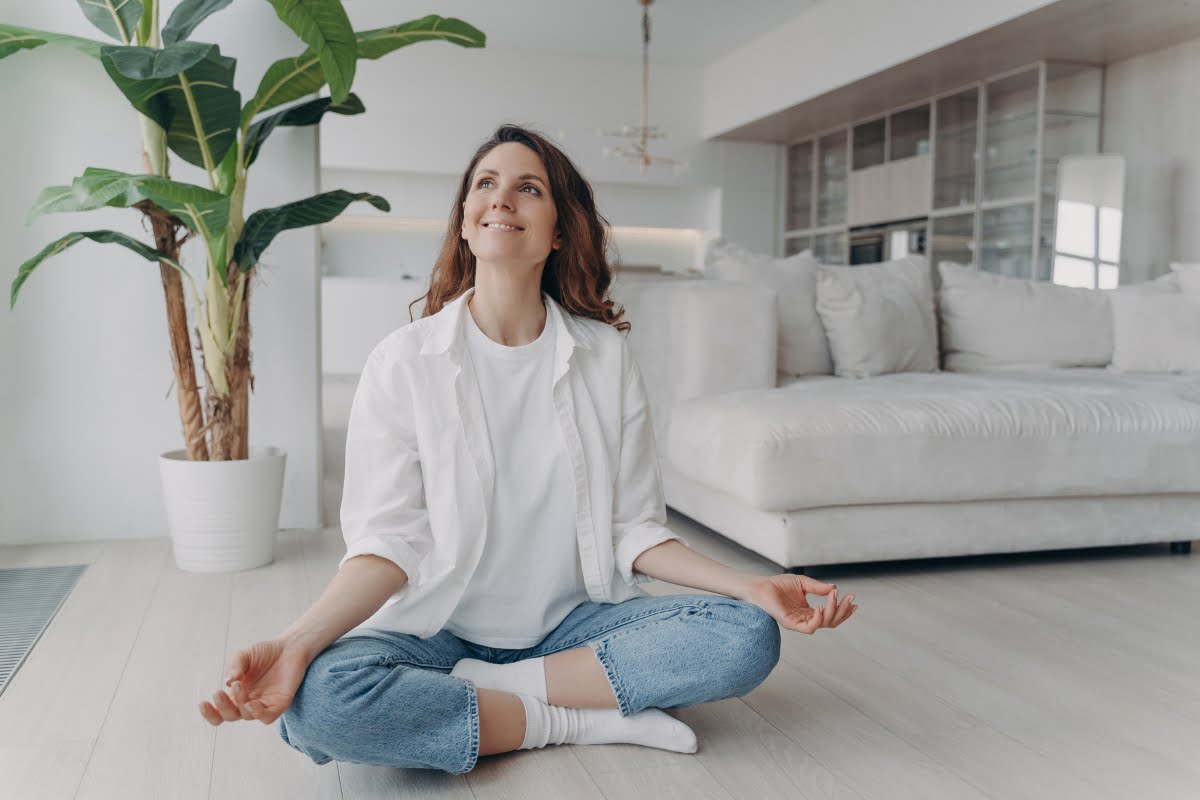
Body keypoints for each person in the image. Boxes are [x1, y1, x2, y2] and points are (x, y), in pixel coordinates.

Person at [197, 124, 858, 774]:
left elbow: (634, 531)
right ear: (464, 221)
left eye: (529, 188)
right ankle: (575, 716)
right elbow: (386, 545)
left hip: (574, 626)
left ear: (560, 230)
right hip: (437, 633)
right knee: (318, 704)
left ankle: (494, 699)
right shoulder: (403, 362)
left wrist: (753, 585)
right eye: (485, 183)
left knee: (745, 635)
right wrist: (294, 644)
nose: (502, 198)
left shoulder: (606, 358)